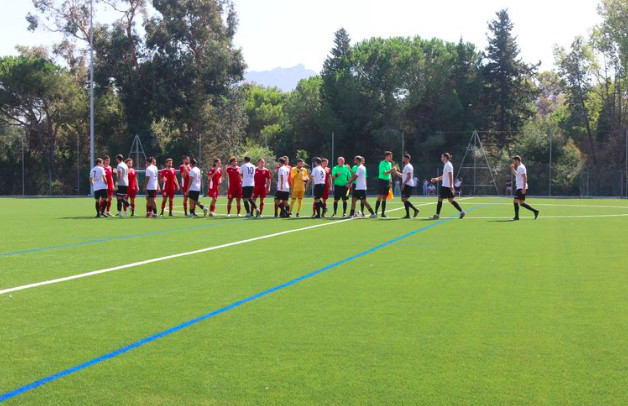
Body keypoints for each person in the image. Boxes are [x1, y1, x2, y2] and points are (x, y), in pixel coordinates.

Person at [431, 153, 465, 219]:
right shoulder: (446, 165)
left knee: (440, 199)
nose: (441, 158)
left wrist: (451, 185)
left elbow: (450, 175)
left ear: (445, 158)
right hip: (447, 185)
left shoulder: (448, 165)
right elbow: (444, 176)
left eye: (442, 157)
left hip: (446, 186)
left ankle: (437, 215)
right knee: (451, 200)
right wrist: (436, 179)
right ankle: (462, 212)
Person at [510, 155, 540, 221]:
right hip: (520, 187)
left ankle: (516, 217)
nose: (513, 162)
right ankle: (535, 211)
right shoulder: (518, 167)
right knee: (521, 203)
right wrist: (512, 168)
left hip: (521, 187)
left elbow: (525, 177)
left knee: (515, 201)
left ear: (517, 160)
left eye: (514, 161)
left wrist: (523, 188)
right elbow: (516, 174)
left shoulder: (521, 167)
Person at [395, 153, 420, 219]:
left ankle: (415, 210)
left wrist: (403, 184)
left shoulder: (408, 166)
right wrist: (395, 172)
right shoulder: (406, 166)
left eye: (403, 158)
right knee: (404, 199)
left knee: (404, 199)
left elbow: (409, 176)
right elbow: (402, 176)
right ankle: (408, 215)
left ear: (407, 159)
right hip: (407, 184)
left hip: (408, 185)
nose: (402, 159)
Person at [375, 151, 397, 218]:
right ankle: (375, 213)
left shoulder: (390, 163)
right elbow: (384, 172)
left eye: (391, 156)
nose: (391, 157)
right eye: (390, 156)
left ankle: (383, 213)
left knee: (385, 197)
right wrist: (392, 170)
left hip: (387, 182)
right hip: (381, 181)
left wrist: (390, 181)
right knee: (380, 196)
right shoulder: (382, 163)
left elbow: (389, 174)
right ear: (386, 156)